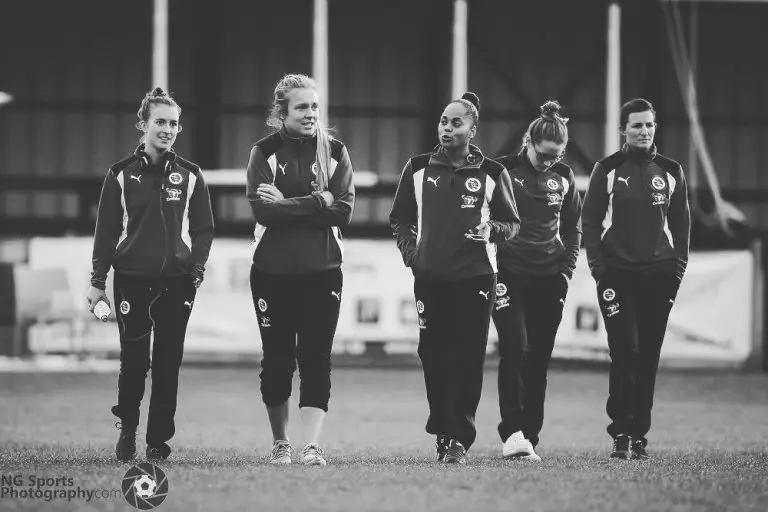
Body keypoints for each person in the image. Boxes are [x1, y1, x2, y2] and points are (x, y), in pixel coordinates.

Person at [390, 92, 521, 464]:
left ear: (472, 130)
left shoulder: (493, 173)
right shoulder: (416, 168)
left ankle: (458, 439)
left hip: (477, 278)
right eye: (444, 122)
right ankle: (444, 430)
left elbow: (511, 224)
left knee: (466, 358)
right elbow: (399, 218)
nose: (447, 128)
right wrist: (412, 255)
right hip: (430, 278)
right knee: (432, 355)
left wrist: (490, 229)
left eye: (456, 123)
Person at [86, 87, 215, 462]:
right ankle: (127, 429)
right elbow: (106, 232)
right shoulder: (120, 175)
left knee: (167, 364)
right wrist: (97, 283)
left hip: (177, 283)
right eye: (160, 121)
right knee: (135, 363)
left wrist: (196, 268)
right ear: (143, 125)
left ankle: (158, 441)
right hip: (132, 280)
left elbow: (204, 229)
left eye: (174, 123)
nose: (168, 129)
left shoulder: (190, 175)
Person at [246, 74, 355, 466]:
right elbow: (263, 211)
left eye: (314, 106)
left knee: (316, 358)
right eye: (302, 107)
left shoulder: (336, 152)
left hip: (323, 271)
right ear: (282, 112)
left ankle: (311, 446)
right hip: (271, 273)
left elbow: (344, 210)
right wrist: (318, 200)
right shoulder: (263, 152)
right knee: (276, 360)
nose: (311, 114)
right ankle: (281, 444)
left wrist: (291, 204)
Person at [582, 98, 690, 460]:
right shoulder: (608, 169)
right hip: (617, 276)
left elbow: (682, 227)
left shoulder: (671, 170)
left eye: (648, 125)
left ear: (655, 128)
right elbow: (591, 222)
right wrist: (599, 268)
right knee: (624, 351)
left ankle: (638, 434)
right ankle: (620, 433)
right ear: (623, 130)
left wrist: (676, 271)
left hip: (659, 276)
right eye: (636, 126)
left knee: (647, 356)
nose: (643, 131)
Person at [494, 100, 582, 461]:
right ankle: (512, 432)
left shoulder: (564, 176)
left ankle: (531, 434)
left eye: (556, 156)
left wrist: (566, 270)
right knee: (515, 348)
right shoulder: (502, 171)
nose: (549, 162)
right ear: (528, 141)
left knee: (538, 359)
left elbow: (573, 227)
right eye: (544, 155)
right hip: (508, 274)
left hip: (549, 277)